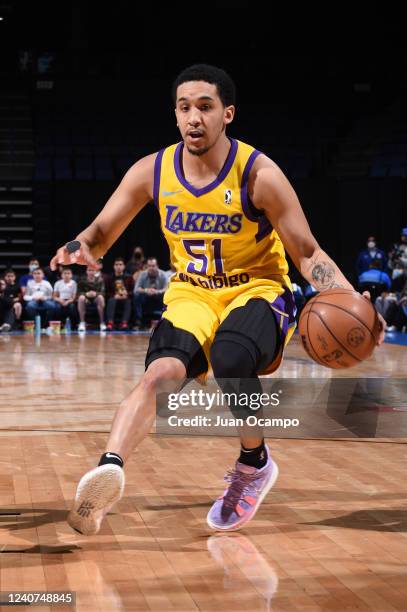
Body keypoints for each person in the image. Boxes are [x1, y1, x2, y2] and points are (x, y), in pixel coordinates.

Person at [51, 63, 385, 536]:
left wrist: (351, 300)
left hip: (259, 289)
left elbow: (307, 252)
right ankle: (109, 471)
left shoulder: (259, 174)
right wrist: (82, 245)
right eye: (184, 107)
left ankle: (255, 462)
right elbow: (102, 232)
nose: (194, 117)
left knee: (230, 356)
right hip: (192, 293)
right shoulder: (153, 171)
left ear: (227, 114)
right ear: (175, 115)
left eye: (205, 107)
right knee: (159, 374)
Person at [133, 257, 168, 328]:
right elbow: (136, 289)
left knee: (167, 296)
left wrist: (157, 292)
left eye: (153, 266)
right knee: (136, 296)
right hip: (146, 296)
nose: (151, 268)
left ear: (157, 266)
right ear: (147, 266)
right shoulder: (142, 274)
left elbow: (167, 289)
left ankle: (165, 320)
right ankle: (139, 321)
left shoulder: (163, 274)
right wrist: (146, 290)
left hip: (159, 296)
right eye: (149, 266)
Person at [105, 257, 134, 330]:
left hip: (125, 298)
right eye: (116, 265)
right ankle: (110, 323)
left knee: (128, 301)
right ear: (114, 266)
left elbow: (133, 291)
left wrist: (127, 294)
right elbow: (106, 292)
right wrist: (114, 295)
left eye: (120, 265)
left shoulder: (129, 277)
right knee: (111, 300)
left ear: (124, 266)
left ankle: (124, 323)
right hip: (114, 298)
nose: (118, 267)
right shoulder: (109, 278)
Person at [76, 266, 106, 332]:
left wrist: (96, 293)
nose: (91, 272)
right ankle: (82, 322)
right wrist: (86, 294)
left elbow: (103, 292)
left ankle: (102, 322)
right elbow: (78, 293)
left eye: (92, 270)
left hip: (96, 299)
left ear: (95, 271)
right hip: (86, 299)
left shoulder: (100, 280)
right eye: (89, 270)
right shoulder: (82, 280)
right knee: (81, 298)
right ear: (86, 271)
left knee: (101, 297)